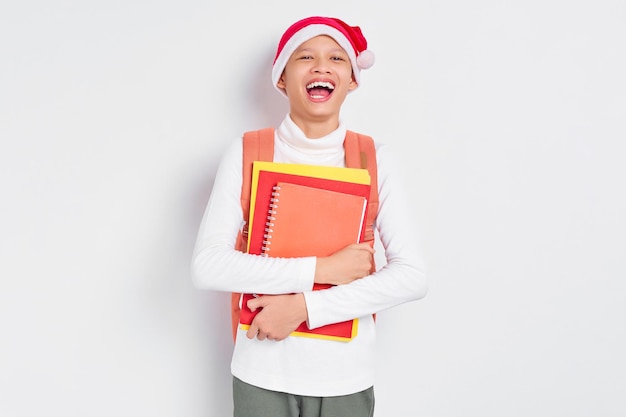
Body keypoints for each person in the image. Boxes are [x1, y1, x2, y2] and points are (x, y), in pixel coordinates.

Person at [191, 15, 428, 417]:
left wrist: (305, 308)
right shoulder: (249, 152)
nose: (321, 66)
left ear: (352, 79)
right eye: (305, 57)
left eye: (337, 57)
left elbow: (413, 276)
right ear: (282, 78)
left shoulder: (374, 159)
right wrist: (323, 268)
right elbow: (207, 267)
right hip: (261, 371)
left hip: (345, 377)